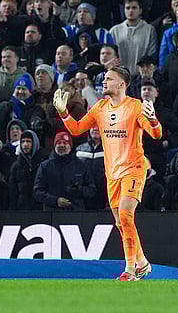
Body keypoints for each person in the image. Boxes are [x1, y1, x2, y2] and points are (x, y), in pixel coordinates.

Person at [52, 66, 162, 281]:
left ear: (122, 84)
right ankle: (142, 263)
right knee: (121, 223)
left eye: (109, 79)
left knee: (125, 215)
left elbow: (155, 135)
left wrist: (154, 119)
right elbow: (76, 130)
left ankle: (130, 269)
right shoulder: (99, 108)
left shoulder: (136, 107)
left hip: (134, 168)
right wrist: (63, 112)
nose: (104, 82)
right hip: (112, 173)